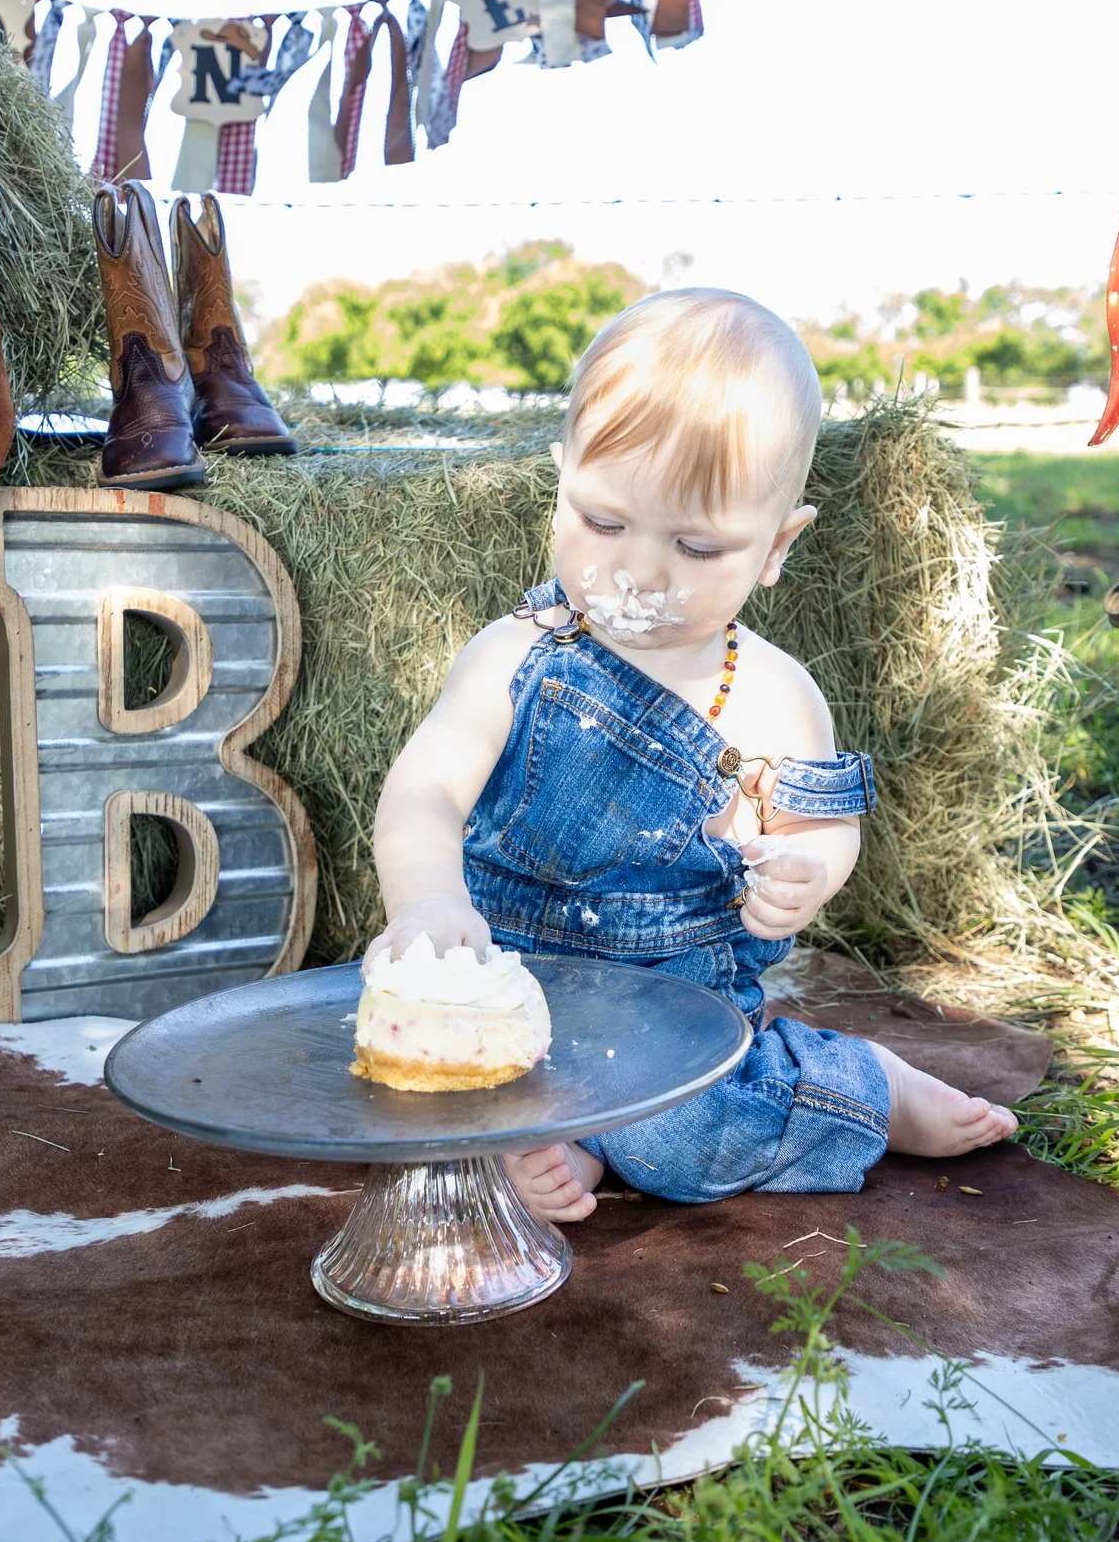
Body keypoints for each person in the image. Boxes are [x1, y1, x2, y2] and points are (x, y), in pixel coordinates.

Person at [364, 288, 1018, 1224]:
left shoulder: (774, 691)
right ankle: (573, 1138)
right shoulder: (518, 650)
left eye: (698, 545)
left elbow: (823, 825)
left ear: (775, 549)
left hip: (669, 1013)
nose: (640, 569)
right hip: (501, 978)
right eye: (603, 522)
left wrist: (808, 871)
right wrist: (429, 900)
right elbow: (424, 789)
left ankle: (858, 1083)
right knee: (403, 1065)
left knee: (682, 1139)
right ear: (561, 484)